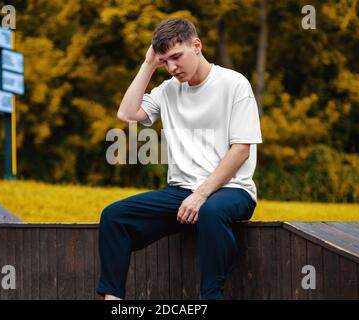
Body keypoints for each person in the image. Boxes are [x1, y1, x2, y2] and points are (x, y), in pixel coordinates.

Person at [96, 17, 262, 300]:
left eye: (176, 56)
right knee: (113, 217)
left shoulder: (234, 84)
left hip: (232, 191)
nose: (172, 67)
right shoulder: (168, 90)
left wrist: (201, 194)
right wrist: (149, 64)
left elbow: (241, 150)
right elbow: (126, 114)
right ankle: (114, 301)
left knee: (211, 211)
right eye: (164, 61)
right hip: (181, 194)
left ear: (196, 46)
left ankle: (211, 297)